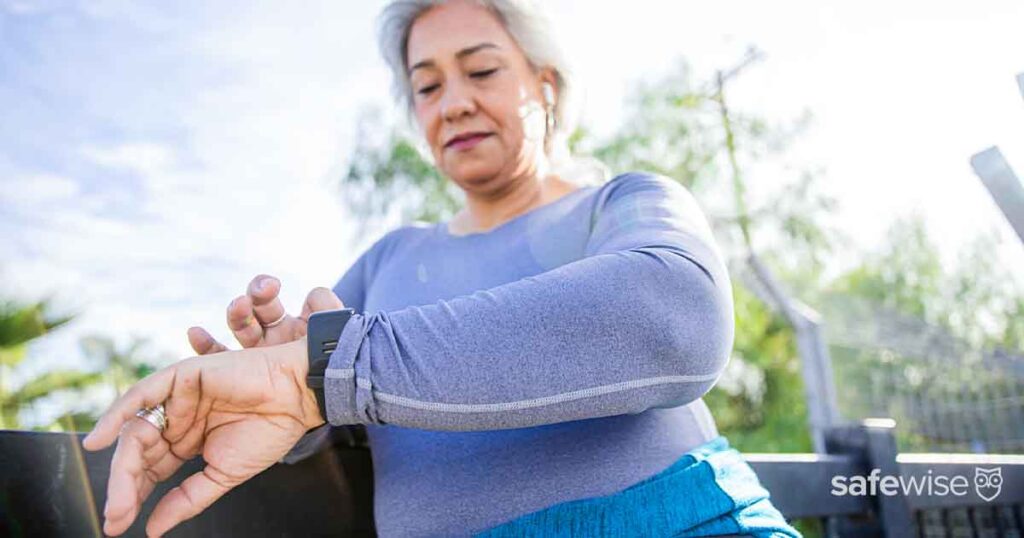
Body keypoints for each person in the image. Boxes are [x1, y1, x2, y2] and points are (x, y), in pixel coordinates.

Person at [83, 1, 802, 536]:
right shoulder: (389, 260)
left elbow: (674, 317)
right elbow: (317, 396)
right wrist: (244, 397)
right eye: (426, 87)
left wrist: (331, 367)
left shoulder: (622, 204)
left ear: (545, 85)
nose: (454, 102)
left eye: (483, 69)